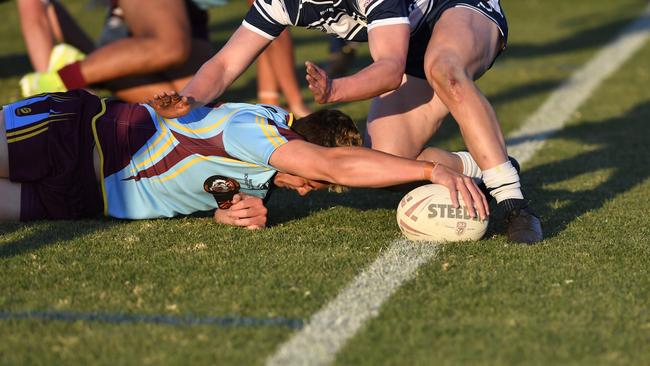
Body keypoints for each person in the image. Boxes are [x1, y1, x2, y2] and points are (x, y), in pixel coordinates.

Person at [149, 0, 543, 243]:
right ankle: (482, 168)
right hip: (411, 53)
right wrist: (188, 99)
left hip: (459, 10)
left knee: (445, 67)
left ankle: (514, 206)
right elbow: (224, 63)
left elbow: (389, 69)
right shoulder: (283, 1)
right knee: (389, 163)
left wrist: (335, 89)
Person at [0, 90, 488, 229]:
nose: (304, 190)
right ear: (306, 150)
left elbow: (202, 184)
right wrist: (429, 170)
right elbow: (338, 167)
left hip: (86, 197)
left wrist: (225, 213)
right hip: (75, 135)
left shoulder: (263, 176)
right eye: (309, 182)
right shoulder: (251, 132)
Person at [17, 0, 213, 103]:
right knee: (171, 47)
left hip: (192, 14)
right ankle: (56, 80)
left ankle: (92, 65)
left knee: (186, 104)